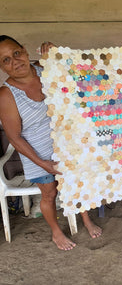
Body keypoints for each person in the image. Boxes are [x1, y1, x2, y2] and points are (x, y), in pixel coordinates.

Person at [0, 35, 102, 250]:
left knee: (78, 183)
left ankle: (86, 220)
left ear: (25, 51)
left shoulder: (45, 69)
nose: (15, 61)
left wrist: (57, 53)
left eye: (16, 53)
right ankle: (56, 232)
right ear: (1, 67)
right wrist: (43, 163)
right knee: (49, 193)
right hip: (37, 154)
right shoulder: (6, 95)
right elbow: (14, 137)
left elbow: (76, 73)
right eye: (5, 60)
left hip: (66, 144)